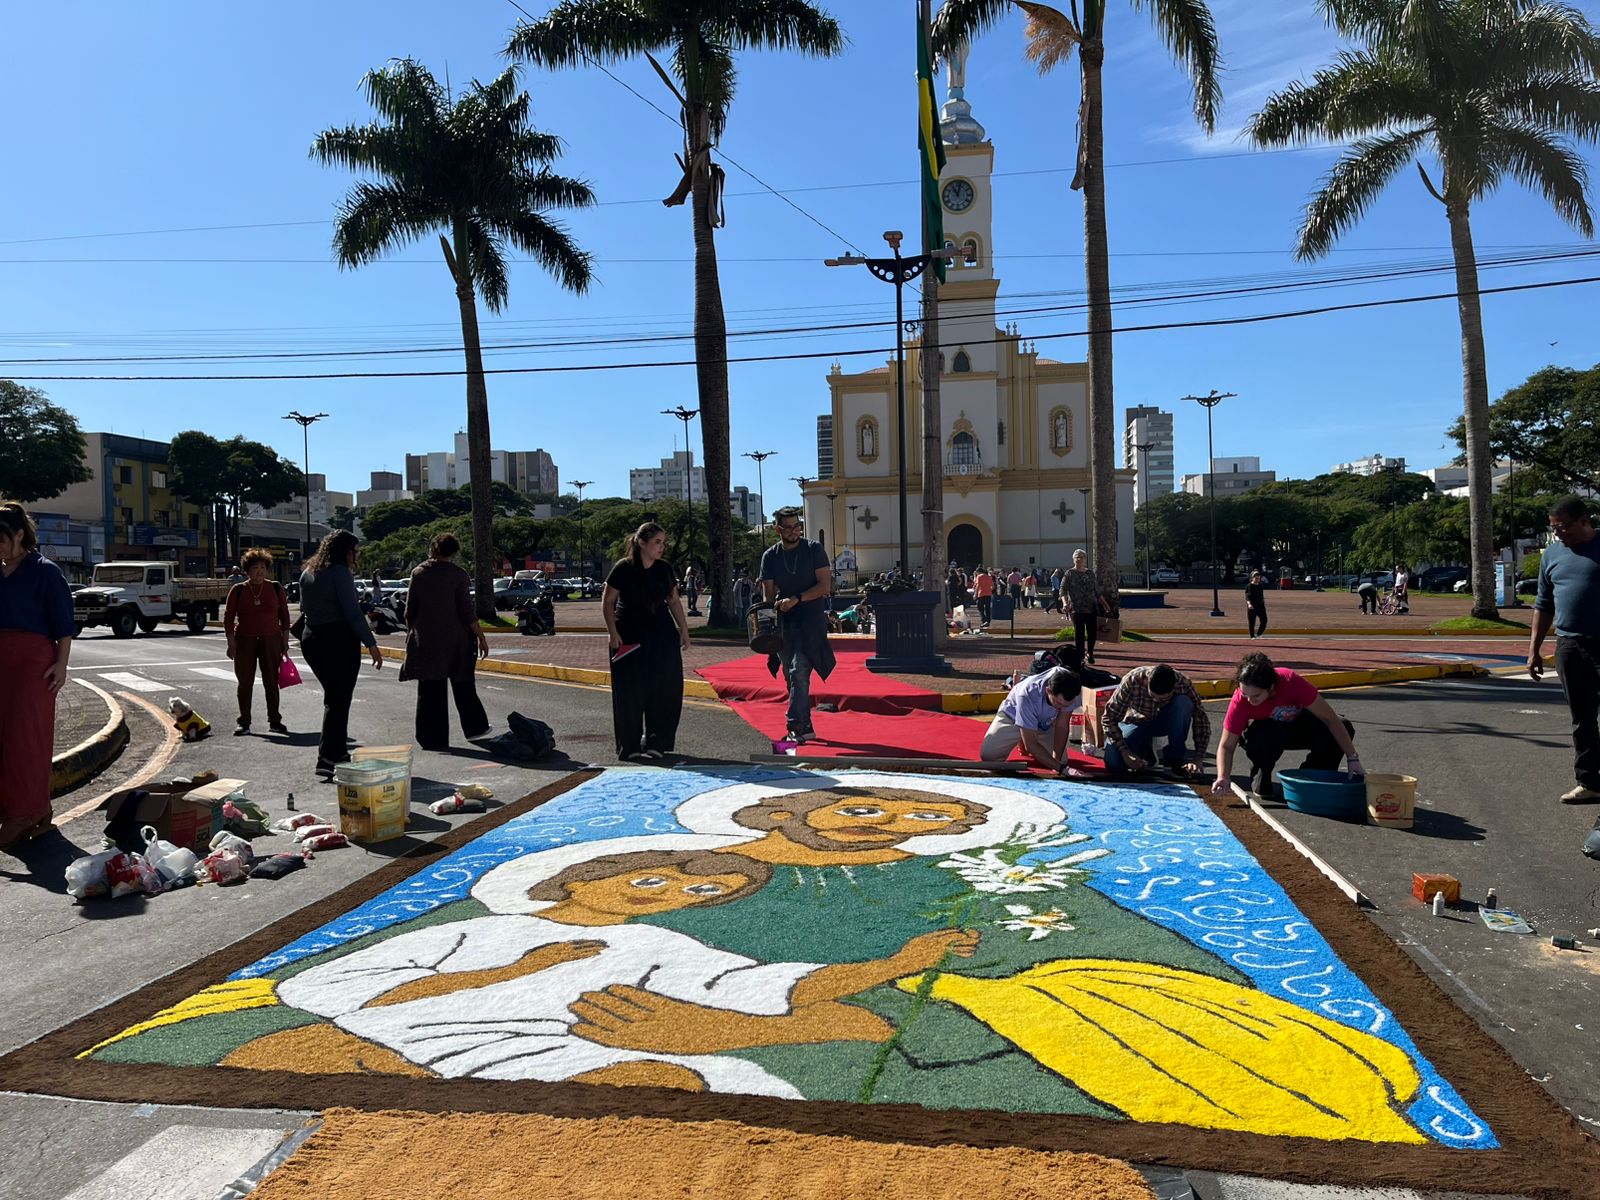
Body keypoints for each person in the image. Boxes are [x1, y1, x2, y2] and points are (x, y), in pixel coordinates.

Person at [0, 502, 73, 853]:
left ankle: (26, 812)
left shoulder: (45, 571)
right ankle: (19, 808)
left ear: (19, 535)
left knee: (25, 739)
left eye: (1, 540)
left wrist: (62, 665)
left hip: (33, 664)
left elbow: (64, 625)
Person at [1211, 651, 1362, 802]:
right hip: (1266, 734)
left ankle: (1311, 777)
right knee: (1266, 733)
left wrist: (1352, 757)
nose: (1249, 700)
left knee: (1344, 726)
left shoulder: (1291, 681)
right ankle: (1261, 775)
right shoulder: (1241, 701)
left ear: (1271, 687)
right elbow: (1226, 746)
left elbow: (1330, 719)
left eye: (1256, 696)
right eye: (1245, 694)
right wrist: (1223, 777)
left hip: (1296, 726)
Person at [1529, 495, 1600, 804]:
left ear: (1584, 521)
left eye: (1562, 527)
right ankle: (1589, 782)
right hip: (1569, 645)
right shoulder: (1552, 555)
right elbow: (1543, 604)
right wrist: (1534, 649)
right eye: (1553, 528)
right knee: (1582, 719)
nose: (1558, 534)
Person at [298, 530, 383, 777]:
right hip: (338, 640)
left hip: (312, 639)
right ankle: (327, 757)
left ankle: (338, 753)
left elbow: (303, 608)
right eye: (354, 552)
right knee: (338, 700)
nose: (356, 556)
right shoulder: (340, 572)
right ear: (344, 551)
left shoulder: (308, 572)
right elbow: (353, 613)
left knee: (334, 698)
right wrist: (371, 643)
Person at [604, 522, 691, 760]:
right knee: (629, 691)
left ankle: (657, 742)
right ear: (642, 543)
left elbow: (673, 601)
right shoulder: (623, 568)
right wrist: (612, 632)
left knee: (663, 689)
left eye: (663, 542)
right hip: (629, 635)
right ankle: (630, 745)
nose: (662, 547)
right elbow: (608, 601)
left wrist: (684, 630)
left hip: (661, 635)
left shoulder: (665, 568)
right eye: (657, 542)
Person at [399, 532, 490, 752]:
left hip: (427, 640)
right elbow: (467, 612)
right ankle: (475, 728)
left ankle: (432, 738)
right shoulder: (459, 575)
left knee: (430, 690)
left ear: (432, 549)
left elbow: (410, 610)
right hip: (457, 640)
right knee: (463, 684)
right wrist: (481, 636)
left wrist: (414, 632)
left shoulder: (418, 573)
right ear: (454, 552)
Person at [759, 508, 835, 744]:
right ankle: (806, 725)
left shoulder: (813, 549)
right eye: (788, 527)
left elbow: (825, 586)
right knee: (789, 675)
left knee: (798, 671)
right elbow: (768, 595)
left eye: (797, 526)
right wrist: (767, 623)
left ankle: (795, 726)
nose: (794, 531)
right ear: (777, 529)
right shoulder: (770, 556)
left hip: (810, 621)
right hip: (785, 622)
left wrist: (796, 599)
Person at [223, 548, 292, 735]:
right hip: (245, 641)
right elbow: (228, 618)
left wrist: (285, 641)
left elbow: (285, 616)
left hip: (271, 639)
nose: (259, 571)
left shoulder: (276, 588)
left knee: (272, 681)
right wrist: (231, 643)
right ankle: (244, 722)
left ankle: (275, 720)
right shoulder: (238, 590)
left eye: (263, 567)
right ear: (247, 571)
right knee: (245, 682)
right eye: (255, 568)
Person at [1100, 663, 1209, 776]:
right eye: (1152, 696)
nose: (1156, 701)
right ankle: (1145, 748)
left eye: (1162, 699)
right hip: (1136, 722)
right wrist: (1125, 752)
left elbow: (1201, 720)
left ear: (1173, 688)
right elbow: (1109, 717)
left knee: (1183, 703)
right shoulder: (1132, 679)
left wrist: (1198, 758)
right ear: (1147, 682)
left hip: (1165, 722)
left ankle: (1174, 760)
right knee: (1115, 764)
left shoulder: (1184, 684)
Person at [980, 666, 1083, 772]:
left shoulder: (1073, 688)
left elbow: (1062, 726)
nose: (1061, 708)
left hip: (1044, 722)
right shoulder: (1027, 694)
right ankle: (1022, 734)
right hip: (1013, 716)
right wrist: (1062, 769)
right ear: (1048, 691)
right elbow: (1031, 745)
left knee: (1061, 760)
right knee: (989, 755)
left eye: (1066, 706)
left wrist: (1057, 763)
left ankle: (1027, 735)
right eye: (1058, 703)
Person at [1065, 549, 1109, 663]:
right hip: (1076, 608)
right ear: (1073, 559)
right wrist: (1065, 603)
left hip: (1091, 608)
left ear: (1085, 559)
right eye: (1077, 557)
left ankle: (1090, 653)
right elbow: (1063, 590)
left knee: (1092, 632)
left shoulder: (1090, 573)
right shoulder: (1069, 573)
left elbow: (1097, 591)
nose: (1079, 559)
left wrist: (1105, 604)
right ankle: (1080, 656)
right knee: (1079, 633)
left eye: (1081, 557)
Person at [1244, 569, 1269, 639]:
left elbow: (1261, 595)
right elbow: (1247, 596)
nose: (1257, 579)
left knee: (1264, 620)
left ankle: (1259, 634)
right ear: (1252, 578)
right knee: (1252, 622)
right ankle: (1252, 636)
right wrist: (1249, 604)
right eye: (1256, 578)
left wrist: (1263, 602)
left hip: (1260, 606)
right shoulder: (1249, 586)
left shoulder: (1260, 586)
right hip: (1252, 606)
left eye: (1258, 578)